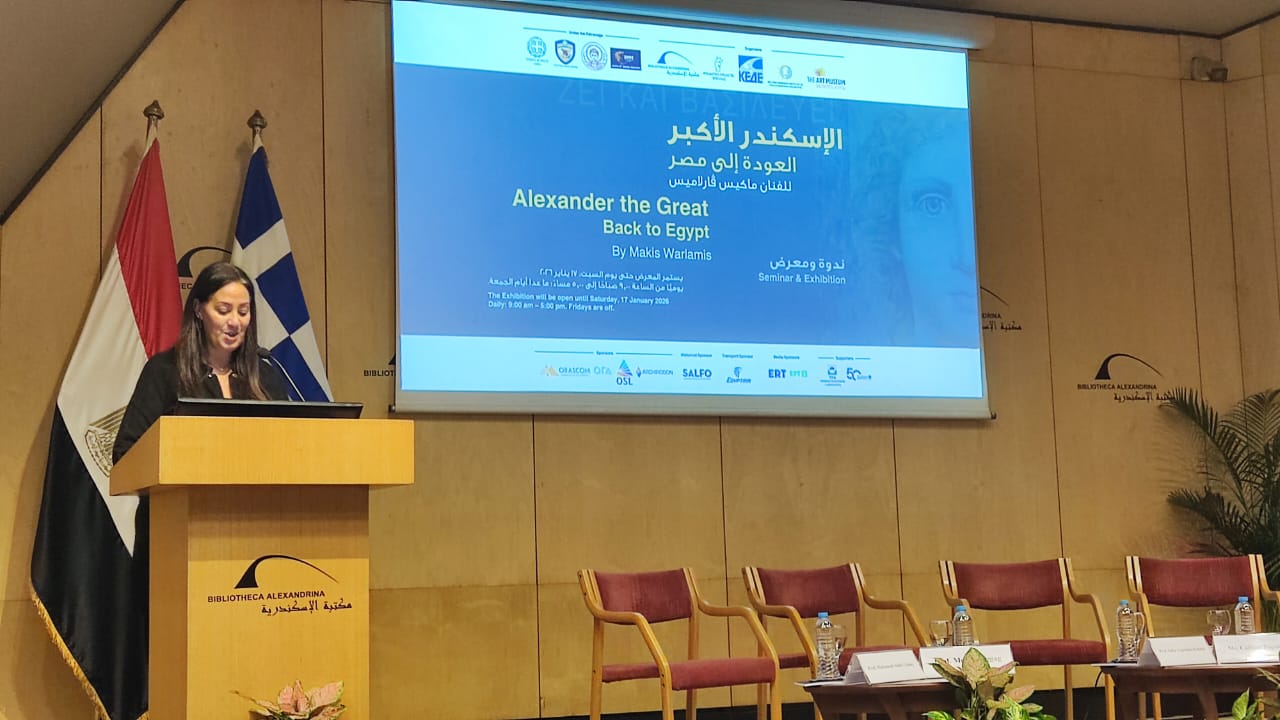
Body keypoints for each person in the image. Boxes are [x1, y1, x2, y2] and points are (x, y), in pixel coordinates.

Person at [112, 261, 290, 464]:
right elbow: (126, 452)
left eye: (243, 312)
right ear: (198, 310)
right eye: (223, 310)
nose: (235, 322)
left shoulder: (265, 375)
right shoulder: (164, 371)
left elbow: (290, 444)